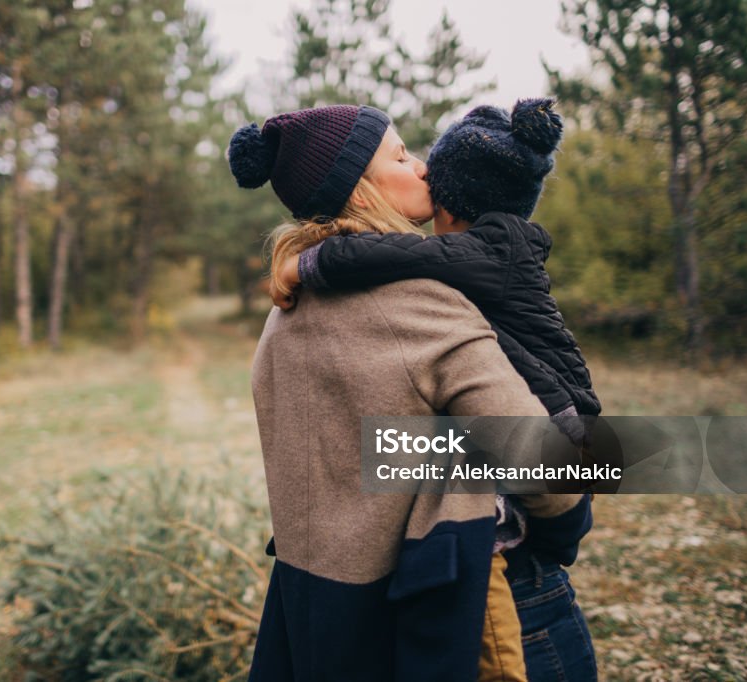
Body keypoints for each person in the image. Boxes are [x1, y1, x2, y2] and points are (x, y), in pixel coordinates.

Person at [229, 104, 594, 681]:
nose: (424, 169)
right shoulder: (422, 301)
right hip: (472, 609)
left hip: (332, 621)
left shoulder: (285, 312)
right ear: (361, 189)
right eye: (401, 156)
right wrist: (568, 525)